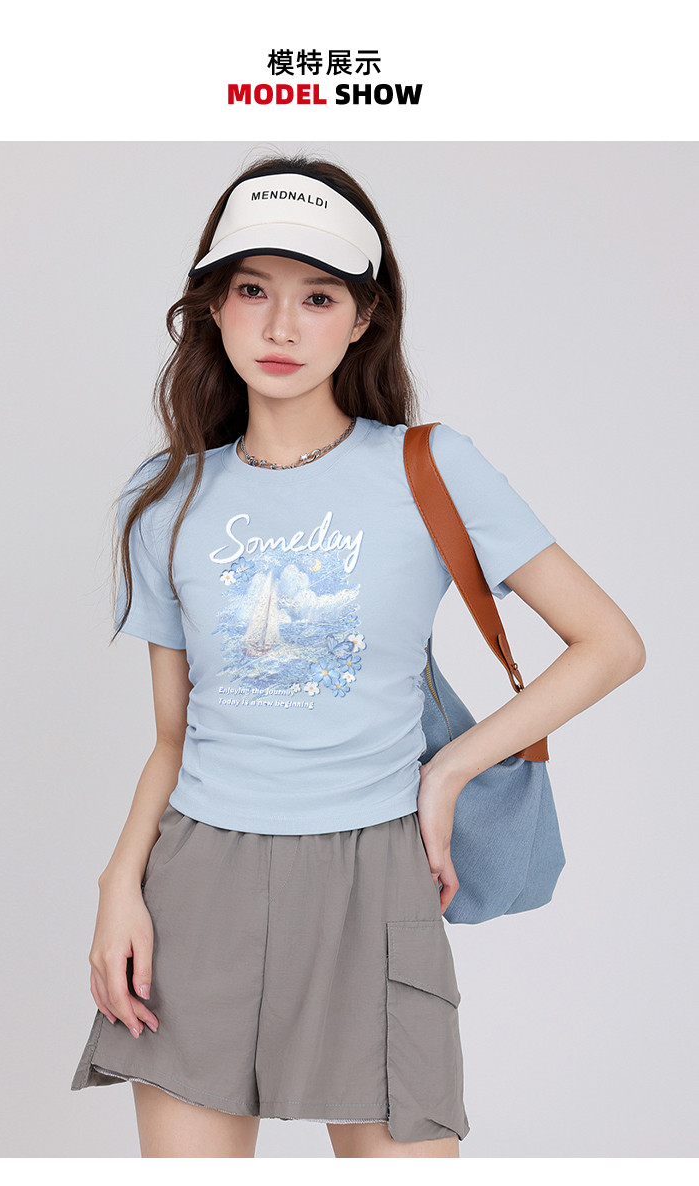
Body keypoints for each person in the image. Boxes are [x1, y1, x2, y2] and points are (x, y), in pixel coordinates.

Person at [70, 154, 646, 1158]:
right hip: (199, 887)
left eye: (317, 296)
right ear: (214, 307)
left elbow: (610, 643)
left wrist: (449, 770)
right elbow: (173, 736)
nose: (281, 328)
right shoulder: (163, 498)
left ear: (364, 316)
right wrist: (119, 884)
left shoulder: (429, 468)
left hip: (376, 883)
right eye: (253, 290)